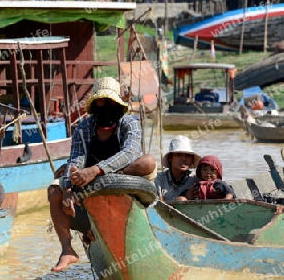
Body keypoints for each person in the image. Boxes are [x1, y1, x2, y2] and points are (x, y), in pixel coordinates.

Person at [47, 76, 157, 272]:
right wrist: (68, 189)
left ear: (118, 105)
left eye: (110, 102)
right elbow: (75, 160)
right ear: (94, 106)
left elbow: (130, 152)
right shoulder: (84, 127)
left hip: (123, 177)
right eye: (101, 102)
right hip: (89, 186)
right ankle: (67, 249)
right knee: (56, 188)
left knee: (148, 162)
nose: (105, 106)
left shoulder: (129, 122)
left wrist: (97, 170)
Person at [154, 135, 201, 201]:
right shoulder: (159, 179)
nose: (184, 159)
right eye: (179, 154)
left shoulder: (195, 180)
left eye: (188, 155)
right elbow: (157, 206)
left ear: (192, 160)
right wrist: (185, 199)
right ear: (171, 158)